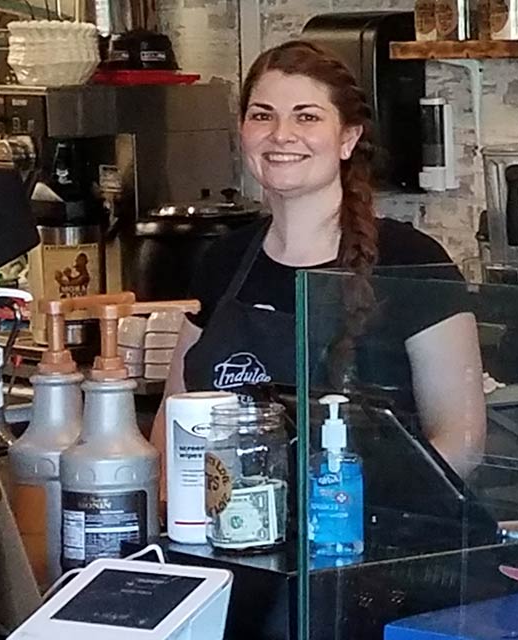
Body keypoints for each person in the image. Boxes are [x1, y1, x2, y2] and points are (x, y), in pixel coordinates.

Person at [159, 41, 485, 477]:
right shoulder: (224, 260)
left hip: (365, 518)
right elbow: (172, 422)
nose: (281, 134)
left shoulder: (413, 262)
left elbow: (461, 442)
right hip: (229, 516)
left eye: (307, 117)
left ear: (348, 139)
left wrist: (348, 505)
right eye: (262, 115)